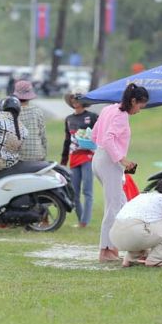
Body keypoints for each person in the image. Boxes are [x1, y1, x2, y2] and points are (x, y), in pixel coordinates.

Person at [91, 83, 149, 263]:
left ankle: (121, 246)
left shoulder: (109, 109)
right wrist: (122, 160)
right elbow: (108, 139)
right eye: (140, 106)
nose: (139, 110)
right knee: (114, 207)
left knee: (122, 204)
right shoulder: (121, 116)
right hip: (109, 162)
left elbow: (95, 134)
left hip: (99, 159)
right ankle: (105, 251)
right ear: (133, 101)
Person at [110, 180, 162, 267]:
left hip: (114, 235)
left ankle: (131, 258)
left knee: (143, 229)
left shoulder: (142, 196)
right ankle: (157, 259)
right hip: (135, 233)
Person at [62, 88, 99, 228]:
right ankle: (81, 220)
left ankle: (85, 221)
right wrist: (64, 160)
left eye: (77, 98)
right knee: (74, 192)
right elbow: (67, 140)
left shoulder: (93, 116)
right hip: (74, 157)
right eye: (73, 98)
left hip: (88, 156)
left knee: (87, 190)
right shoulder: (69, 119)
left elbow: (100, 134)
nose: (75, 101)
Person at [13, 80, 46, 162]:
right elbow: (43, 136)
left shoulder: (11, 113)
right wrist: (44, 154)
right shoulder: (37, 111)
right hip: (37, 155)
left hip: (17, 157)